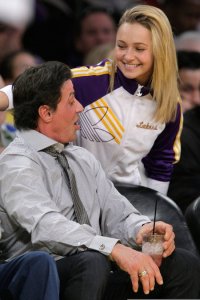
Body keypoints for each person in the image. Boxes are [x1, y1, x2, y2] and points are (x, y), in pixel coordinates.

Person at [0, 61, 200, 300]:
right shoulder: (16, 162)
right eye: (71, 100)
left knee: (183, 265)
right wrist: (113, 249)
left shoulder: (80, 157)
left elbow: (116, 211)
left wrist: (142, 230)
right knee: (91, 263)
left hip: (99, 265)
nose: (81, 107)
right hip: (49, 276)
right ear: (46, 112)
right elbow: (46, 225)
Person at [70, 4, 182, 195]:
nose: (128, 56)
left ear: (160, 51)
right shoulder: (91, 82)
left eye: (139, 49)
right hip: (78, 196)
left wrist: (150, 215)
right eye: (121, 46)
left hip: (129, 205)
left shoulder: (169, 103)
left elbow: (160, 164)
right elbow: (33, 88)